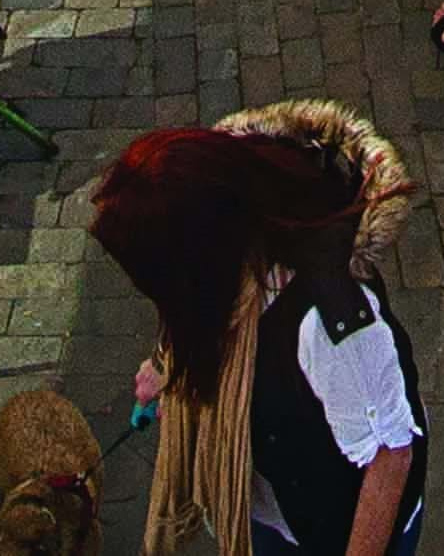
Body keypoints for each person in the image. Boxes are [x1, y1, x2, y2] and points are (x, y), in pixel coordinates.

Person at [93, 109, 424, 556]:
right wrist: (163, 365)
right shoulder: (222, 249)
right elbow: (190, 312)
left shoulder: (328, 329)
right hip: (276, 508)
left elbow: (390, 456)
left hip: (329, 533)